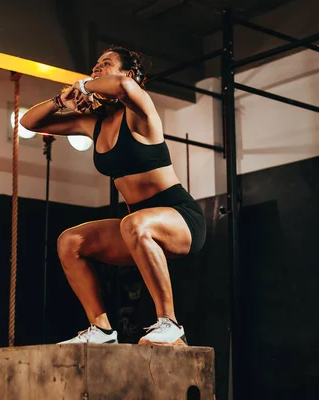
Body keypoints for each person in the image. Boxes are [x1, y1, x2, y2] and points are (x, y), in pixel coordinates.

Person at [20, 47, 206, 347]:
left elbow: (123, 87)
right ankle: (101, 329)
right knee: (70, 242)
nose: (96, 70)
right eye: (94, 66)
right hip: (135, 228)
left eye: (105, 65)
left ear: (128, 73)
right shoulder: (91, 124)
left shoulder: (139, 111)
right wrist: (61, 100)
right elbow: (29, 122)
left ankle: (170, 324)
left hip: (180, 218)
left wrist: (82, 85)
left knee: (134, 224)